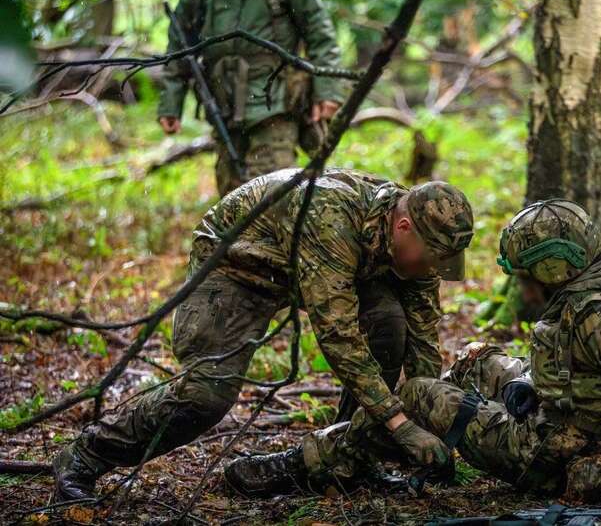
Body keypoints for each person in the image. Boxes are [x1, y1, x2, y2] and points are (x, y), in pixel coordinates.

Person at [227, 199, 601, 505]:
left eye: (527, 274)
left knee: (414, 395)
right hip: (570, 416)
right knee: (478, 358)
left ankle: (309, 464)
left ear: (554, 266)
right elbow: (595, 376)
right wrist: (529, 382)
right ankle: (402, 446)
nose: (524, 286)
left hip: (550, 450)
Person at [53, 168, 474, 501]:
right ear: (403, 226)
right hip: (237, 264)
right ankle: (86, 455)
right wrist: (398, 423)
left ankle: (345, 460)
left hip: (308, 266)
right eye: (431, 258)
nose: (432, 268)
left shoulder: (420, 242)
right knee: (206, 394)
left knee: (389, 326)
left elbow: (422, 335)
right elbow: (337, 333)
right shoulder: (331, 216)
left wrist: (428, 416)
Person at [158, 0, 345, 196]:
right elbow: (180, 39)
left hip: (275, 103)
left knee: (272, 191)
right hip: (223, 108)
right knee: (232, 197)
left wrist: (327, 90)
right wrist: (171, 102)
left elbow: (318, 31)